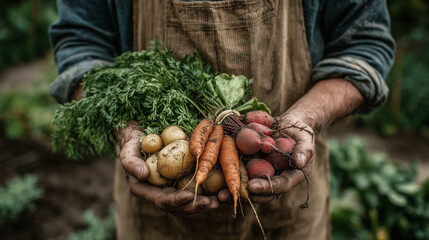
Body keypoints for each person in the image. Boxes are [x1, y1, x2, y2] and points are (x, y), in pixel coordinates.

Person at [49, 0, 395, 239]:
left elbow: (364, 46)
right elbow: (80, 45)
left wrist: (304, 117)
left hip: (289, 213)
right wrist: (127, 129)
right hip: (155, 222)